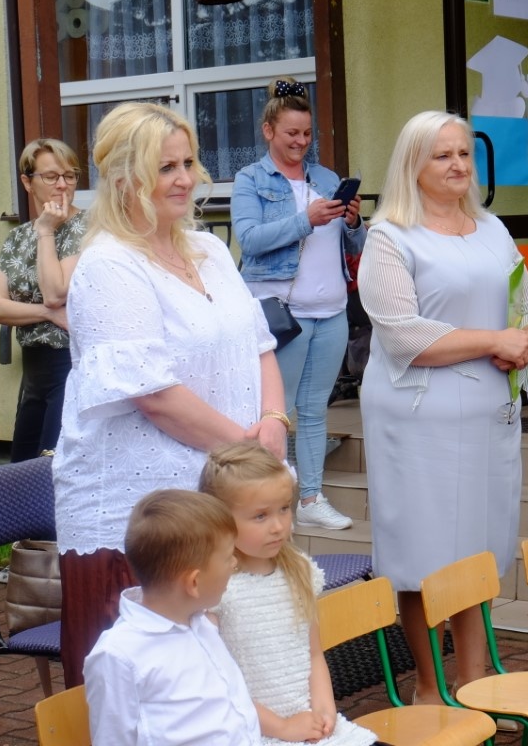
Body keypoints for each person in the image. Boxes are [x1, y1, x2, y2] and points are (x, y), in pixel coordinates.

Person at [53, 102, 287, 687]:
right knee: (153, 691)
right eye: (165, 168)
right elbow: (153, 395)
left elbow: (260, 344)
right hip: (145, 518)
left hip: (224, 488)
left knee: (227, 676)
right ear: (124, 179)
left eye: (187, 163)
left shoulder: (208, 250)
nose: (184, 179)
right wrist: (249, 456)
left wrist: (274, 419)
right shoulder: (108, 265)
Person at [358, 110, 528, 707]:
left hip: (490, 414)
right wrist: (495, 339)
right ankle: (428, 688)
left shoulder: (492, 229)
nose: (458, 165)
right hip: (418, 421)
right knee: (421, 554)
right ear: (412, 164)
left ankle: (476, 681)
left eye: (464, 153)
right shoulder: (389, 236)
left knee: (478, 550)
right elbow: (403, 336)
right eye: (442, 155)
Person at [233, 77, 367, 531]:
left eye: (307, 133)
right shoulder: (250, 179)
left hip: (331, 311)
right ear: (268, 130)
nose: (301, 142)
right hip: (281, 313)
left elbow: (353, 244)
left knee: (314, 409)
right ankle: (263, 503)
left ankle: (310, 498)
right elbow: (250, 240)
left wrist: (353, 223)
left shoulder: (326, 178)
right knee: (277, 411)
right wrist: (304, 220)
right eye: (291, 133)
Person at [199, 441, 378, 746]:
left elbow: (313, 653)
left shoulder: (298, 571)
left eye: (283, 509)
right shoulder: (216, 590)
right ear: (219, 520)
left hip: (306, 723)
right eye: (260, 516)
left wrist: (325, 711)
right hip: (250, 731)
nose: (278, 526)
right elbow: (215, 683)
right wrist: (281, 727)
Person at [84, 490, 261, 746]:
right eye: (227, 557)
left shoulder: (200, 621)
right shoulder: (119, 655)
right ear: (194, 583)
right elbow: (112, 739)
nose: (235, 563)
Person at [0, 138, 86, 461]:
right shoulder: (16, 238)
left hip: (70, 366)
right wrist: (47, 313)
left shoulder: (88, 227)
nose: (62, 184)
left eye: (70, 176)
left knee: (53, 469)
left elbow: (56, 292)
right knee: (22, 465)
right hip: (32, 371)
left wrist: (46, 232)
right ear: (27, 182)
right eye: (51, 176)